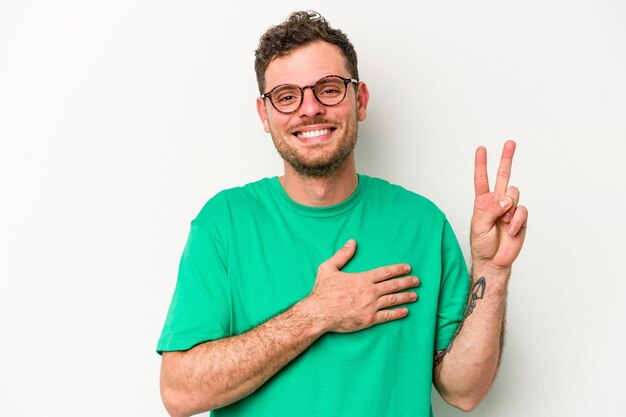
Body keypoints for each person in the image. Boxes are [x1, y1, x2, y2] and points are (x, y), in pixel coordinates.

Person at [157, 10, 528, 417]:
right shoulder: (224, 223)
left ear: (360, 99)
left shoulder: (422, 223)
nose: (310, 109)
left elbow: (464, 391)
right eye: (286, 96)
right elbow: (180, 393)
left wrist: (492, 270)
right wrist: (317, 313)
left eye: (329, 89)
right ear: (265, 115)